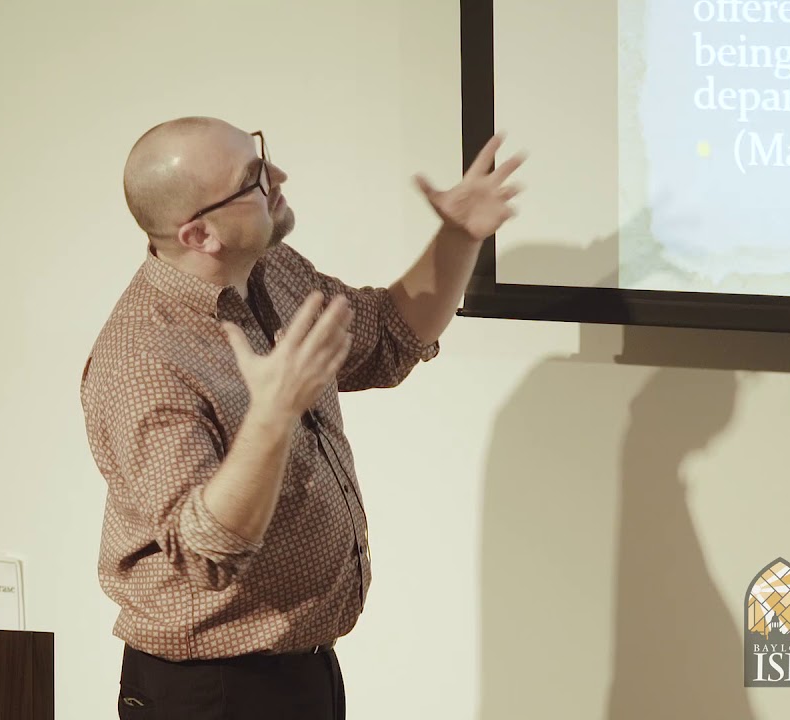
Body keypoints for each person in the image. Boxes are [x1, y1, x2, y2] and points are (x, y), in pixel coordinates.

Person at [80, 116, 524, 719]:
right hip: (211, 693)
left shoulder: (271, 270)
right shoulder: (142, 362)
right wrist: (273, 415)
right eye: (253, 179)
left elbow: (384, 335)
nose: (279, 177)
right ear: (200, 234)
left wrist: (459, 236)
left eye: (262, 158)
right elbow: (206, 552)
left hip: (302, 670)